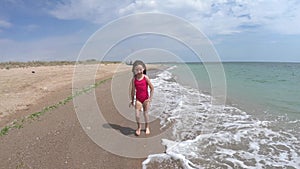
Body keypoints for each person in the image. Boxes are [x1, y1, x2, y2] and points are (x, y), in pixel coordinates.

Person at [129, 60, 154, 136]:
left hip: (146, 99)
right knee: (137, 115)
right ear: (134, 70)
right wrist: (132, 100)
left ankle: (147, 127)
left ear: (143, 69)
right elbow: (133, 91)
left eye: (140, 69)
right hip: (138, 100)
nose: (139, 71)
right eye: (137, 70)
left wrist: (150, 99)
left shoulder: (145, 77)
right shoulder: (134, 79)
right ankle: (139, 127)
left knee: (145, 114)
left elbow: (152, 88)